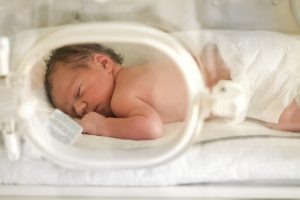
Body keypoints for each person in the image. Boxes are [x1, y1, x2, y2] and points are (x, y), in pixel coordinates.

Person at [44, 39, 300, 140]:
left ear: (103, 63)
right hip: (232, 61)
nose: (79, 108)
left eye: (79, 92)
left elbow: (151, 127)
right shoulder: (135, 75)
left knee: (286, 109)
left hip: (236, 75)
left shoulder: (123, 95)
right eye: (71, 109)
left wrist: (102, 126)